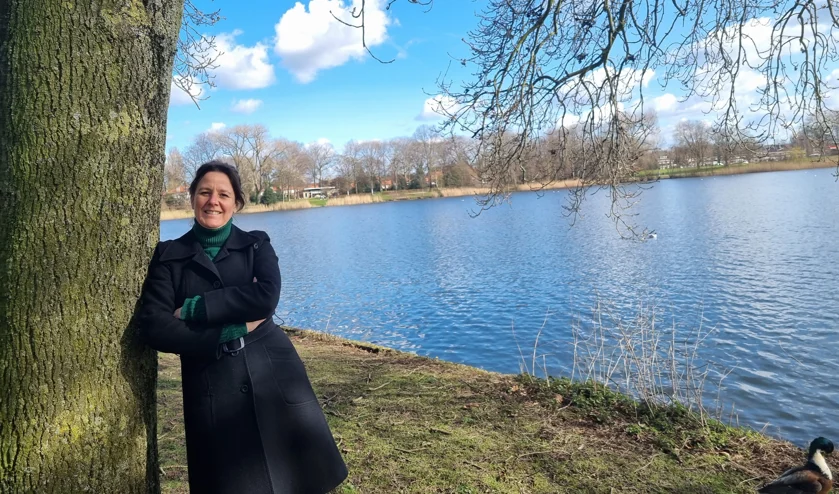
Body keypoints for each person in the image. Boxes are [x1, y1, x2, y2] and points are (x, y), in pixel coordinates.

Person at [138, 160, 348, 493]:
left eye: (224, 194)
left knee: (296, 478)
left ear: (236, 203)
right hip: (210, 385)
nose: (213, 201)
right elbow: (154, 326)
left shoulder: (256, 244)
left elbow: (266, 296)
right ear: (192, 197)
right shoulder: (169, 255)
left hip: (273, 375)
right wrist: (228, 331)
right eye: (205, 192)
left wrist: (196, 307)